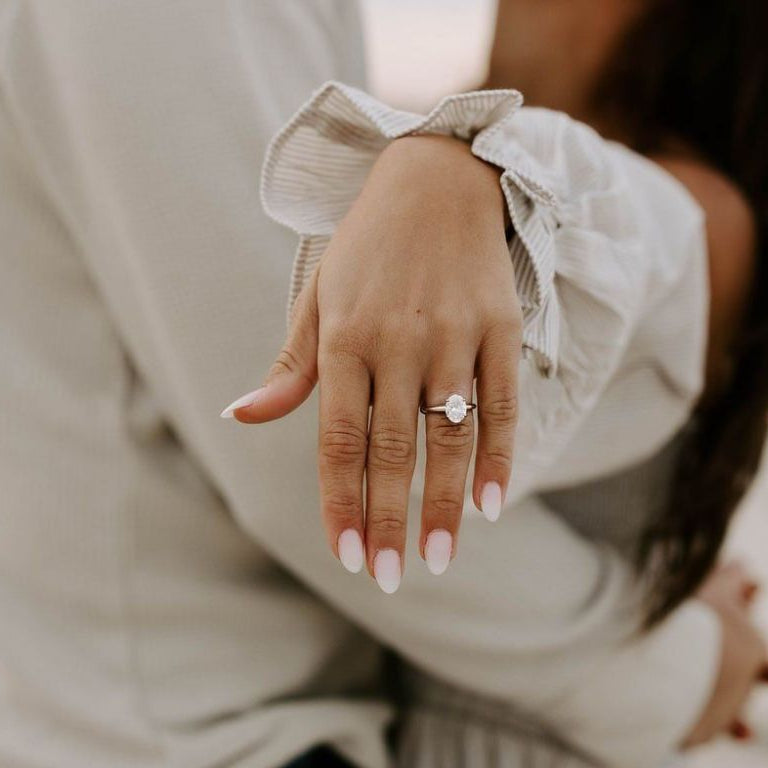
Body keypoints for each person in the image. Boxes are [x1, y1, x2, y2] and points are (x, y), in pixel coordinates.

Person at [0, 4, 763, 768]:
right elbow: (303, 432)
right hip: (197, 724)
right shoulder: (446, 143)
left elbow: (319, 437)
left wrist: (459, 175)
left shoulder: (663, 211)